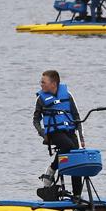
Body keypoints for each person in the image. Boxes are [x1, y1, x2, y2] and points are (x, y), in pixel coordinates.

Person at [33, 70, 84, 199]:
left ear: (53, 84)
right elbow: (36, 119)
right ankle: (52, 169)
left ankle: (77, 196)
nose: (41, 84)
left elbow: (76, 116)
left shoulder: (67, 94)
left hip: (70, 130)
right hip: (54, 133)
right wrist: (42, 133)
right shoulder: (41, 99)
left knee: (76, 159)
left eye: (43, 82)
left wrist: (81, 137)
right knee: (68, 145)